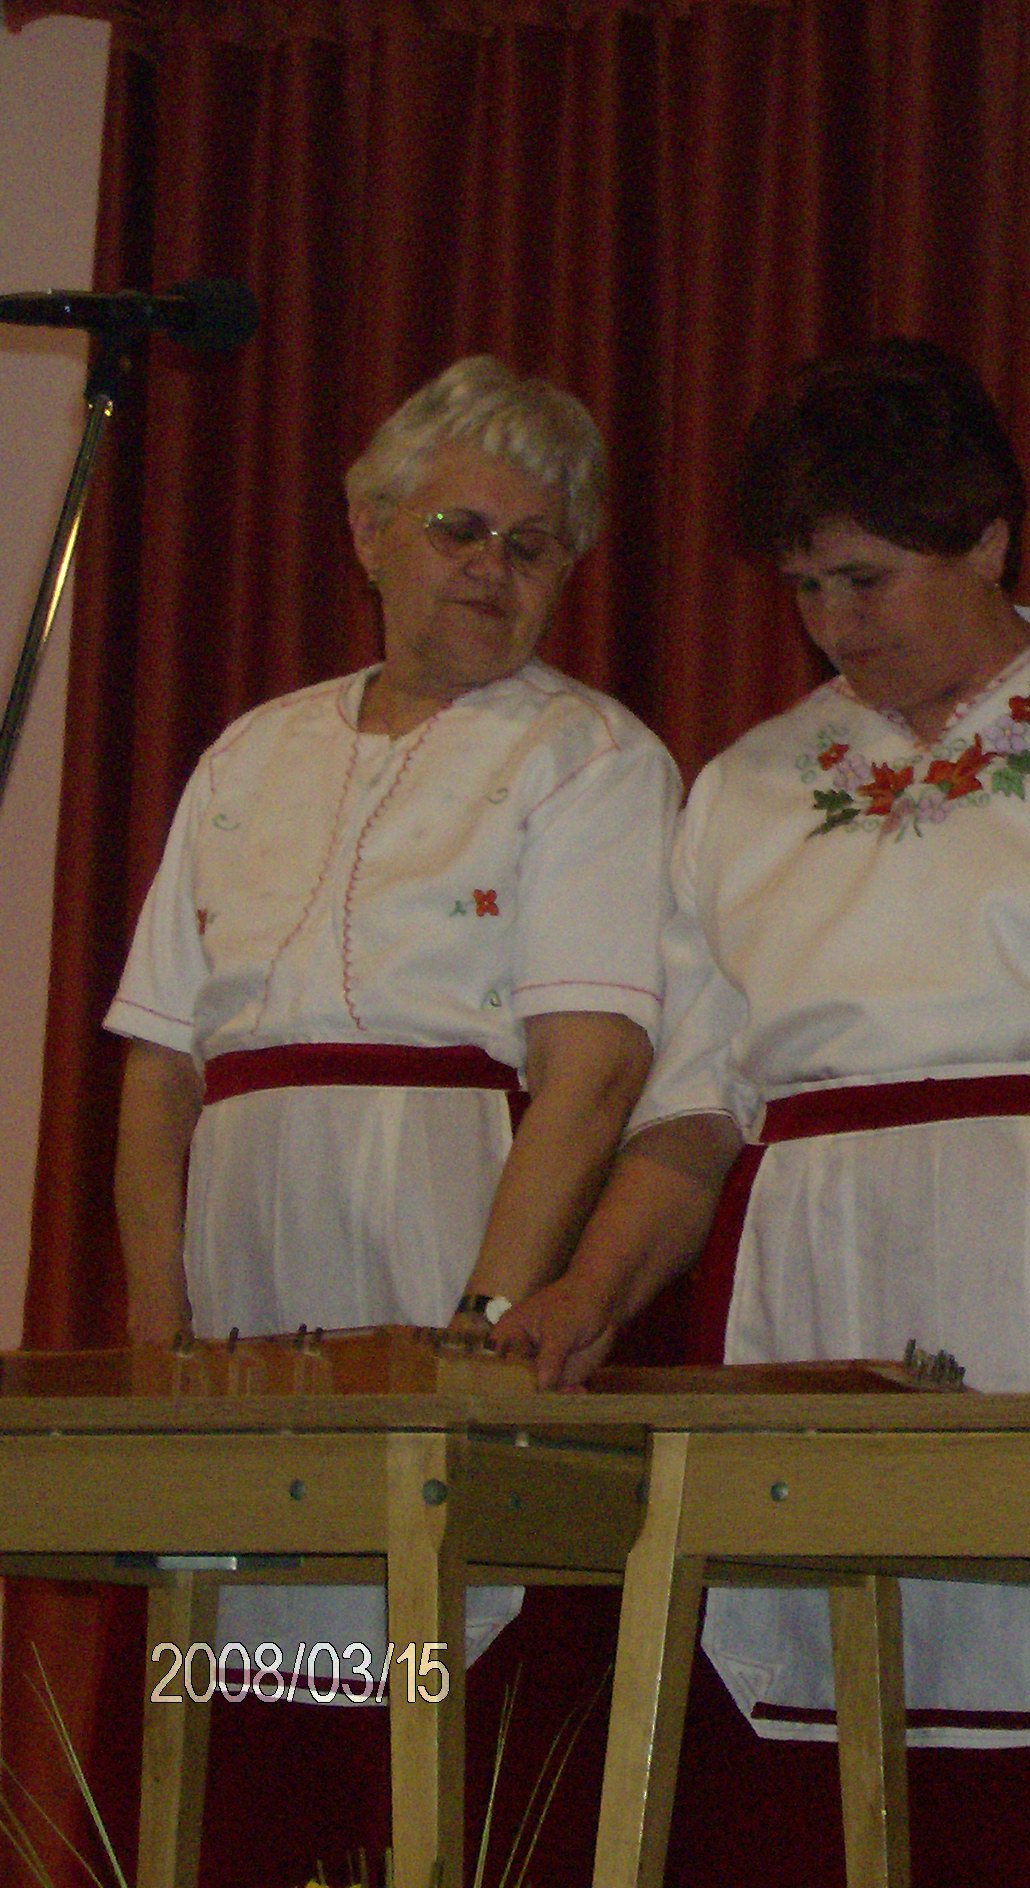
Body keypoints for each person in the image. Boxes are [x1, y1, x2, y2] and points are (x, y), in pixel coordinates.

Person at [496, 337, 1030, 1886]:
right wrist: (588, 1291)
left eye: (868, 580)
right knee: (813, 1761)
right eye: (807, 588)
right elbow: (696, 1114)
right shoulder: (748, 787)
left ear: (989, 537)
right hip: (809, 1294)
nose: (836, 624)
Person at [105, 353, 677, 1876]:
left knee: (435, 1673)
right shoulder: (251, 752)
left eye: (532, 545)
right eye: (459, 530)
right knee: (245, 1653)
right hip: (242, 1258)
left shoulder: (593, 759)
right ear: (367, 534)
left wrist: (479, 1326)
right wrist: (160, 1328)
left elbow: (594, 1071)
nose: (492, 568)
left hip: (445, 1224)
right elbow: (159, 1069)